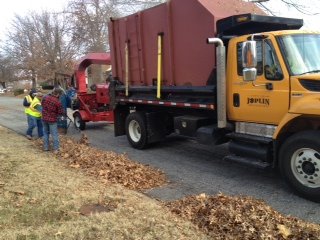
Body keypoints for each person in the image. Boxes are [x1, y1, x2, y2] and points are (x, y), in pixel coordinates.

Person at [41, 87, 64, 153]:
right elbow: (60, 112)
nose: (60, 96)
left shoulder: (45, 97)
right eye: (60, 95)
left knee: (45, 133)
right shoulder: (57, 102)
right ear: (58, 94)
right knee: (54, 134)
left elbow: (42, 105)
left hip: (44, 118)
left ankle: (46, 147)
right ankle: (55, 149)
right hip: (52, 120)